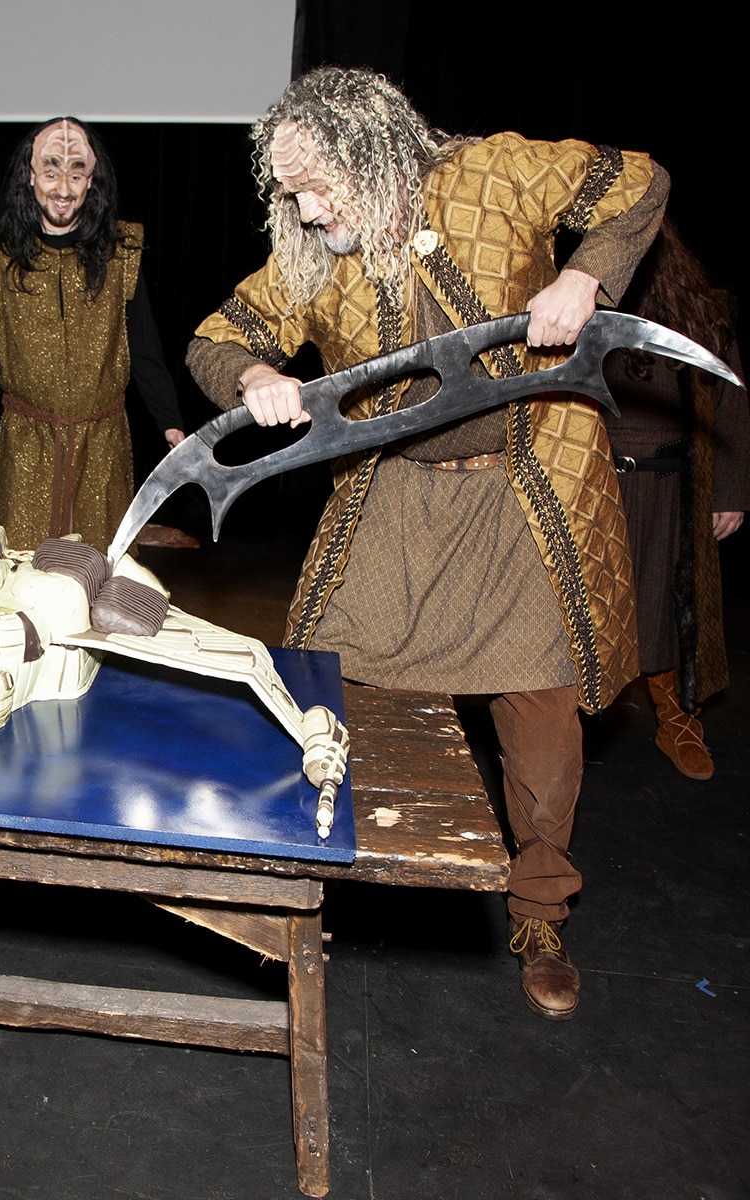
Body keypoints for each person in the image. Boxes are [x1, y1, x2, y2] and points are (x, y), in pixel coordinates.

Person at [187, 67, 668, 1020]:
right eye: (289, 190)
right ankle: (323, 882)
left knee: (540, 719)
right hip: (394, 500)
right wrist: (251, 374)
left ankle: (538, 910)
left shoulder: (497, 173)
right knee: (330, 691)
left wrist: (584, 275)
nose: (306, 205)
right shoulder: (313, 254)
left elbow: (639, 181)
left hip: (524, 496)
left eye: (318, 183)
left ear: (371, 150)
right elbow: (215, 332)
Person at [0, 117, 184, 552]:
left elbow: (146, 349)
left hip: (102, 444)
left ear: (92, 181)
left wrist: (170, 422)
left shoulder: (120, 253)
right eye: (52, 169)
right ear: (30, 176)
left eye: (76, 171)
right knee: (21, 570)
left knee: (98, 574)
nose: (63, 186)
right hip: (26, 445)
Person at [602, 220, 749, 779]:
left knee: (671, 609)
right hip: (599, 485)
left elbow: (732, 405)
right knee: (592, 605)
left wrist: (730, 493)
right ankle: (572, 721)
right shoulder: (590, 305)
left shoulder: (703, 316)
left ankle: (679, 721)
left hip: (671, 490)